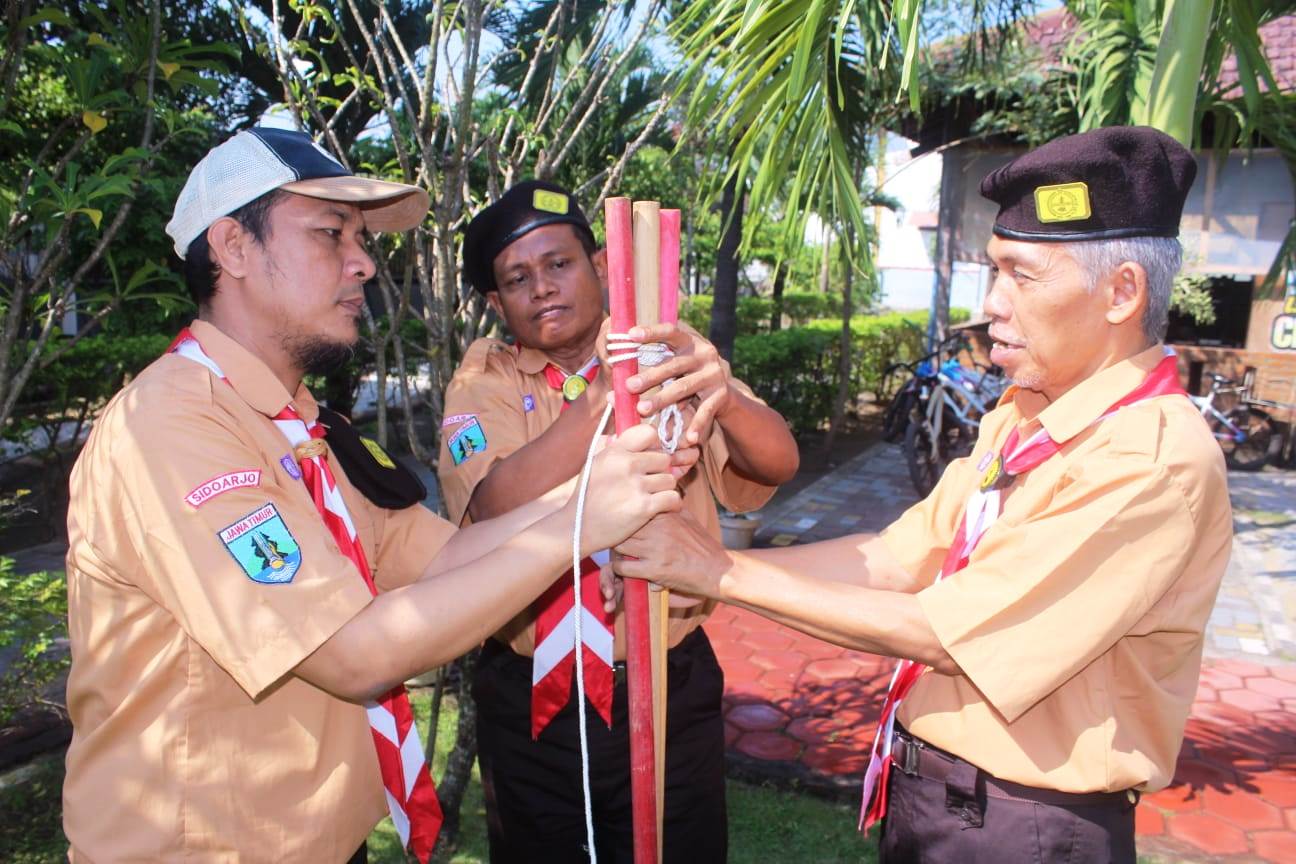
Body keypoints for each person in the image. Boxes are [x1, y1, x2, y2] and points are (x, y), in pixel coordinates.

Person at [61, 127, 691, 863]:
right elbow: (353, 654)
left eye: (360, 240)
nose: (363, 264)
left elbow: (446, 557)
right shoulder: (171, 425)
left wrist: (593, 495)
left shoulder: (291, 426)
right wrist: (580, 527)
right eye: (331, 235)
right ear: (233, 248)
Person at [614, 126, 1233, 862]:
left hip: (1025, 826)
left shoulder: (1149, 457)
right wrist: (699, 562)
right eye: (993, 272)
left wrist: (712, 572)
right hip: (943, 799)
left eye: (1022, 276)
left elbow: (948, 634)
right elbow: (895, 555)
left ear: (1121, 292)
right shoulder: (1029, 413)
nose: (993, 304)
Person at [438, 180, 799, 862]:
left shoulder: (667, 349)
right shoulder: (485, 381)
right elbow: (490, 503)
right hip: (536, 692)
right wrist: (608, 388)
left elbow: (776, 462)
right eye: (518, 278)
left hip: (667, 678)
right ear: (496, 302)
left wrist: (717, 391)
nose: (542, 287)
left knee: (680, 846)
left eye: (559, 264)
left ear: (601, 267)